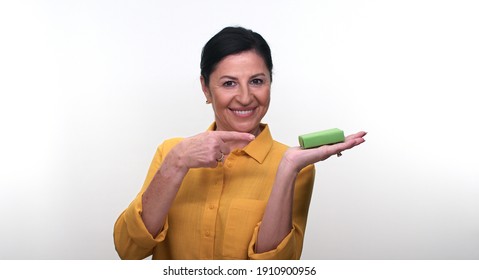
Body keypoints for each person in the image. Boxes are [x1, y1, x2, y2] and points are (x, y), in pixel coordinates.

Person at [113, 26, 366, 260]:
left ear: (270, 83)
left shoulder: (298, 167)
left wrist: (287, 167)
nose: (245, 98)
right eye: (229, 83)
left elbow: (275, 270)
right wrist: (176, 164)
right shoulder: (171, 153)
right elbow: (128, 249)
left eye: (257, 81)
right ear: (206, 88)